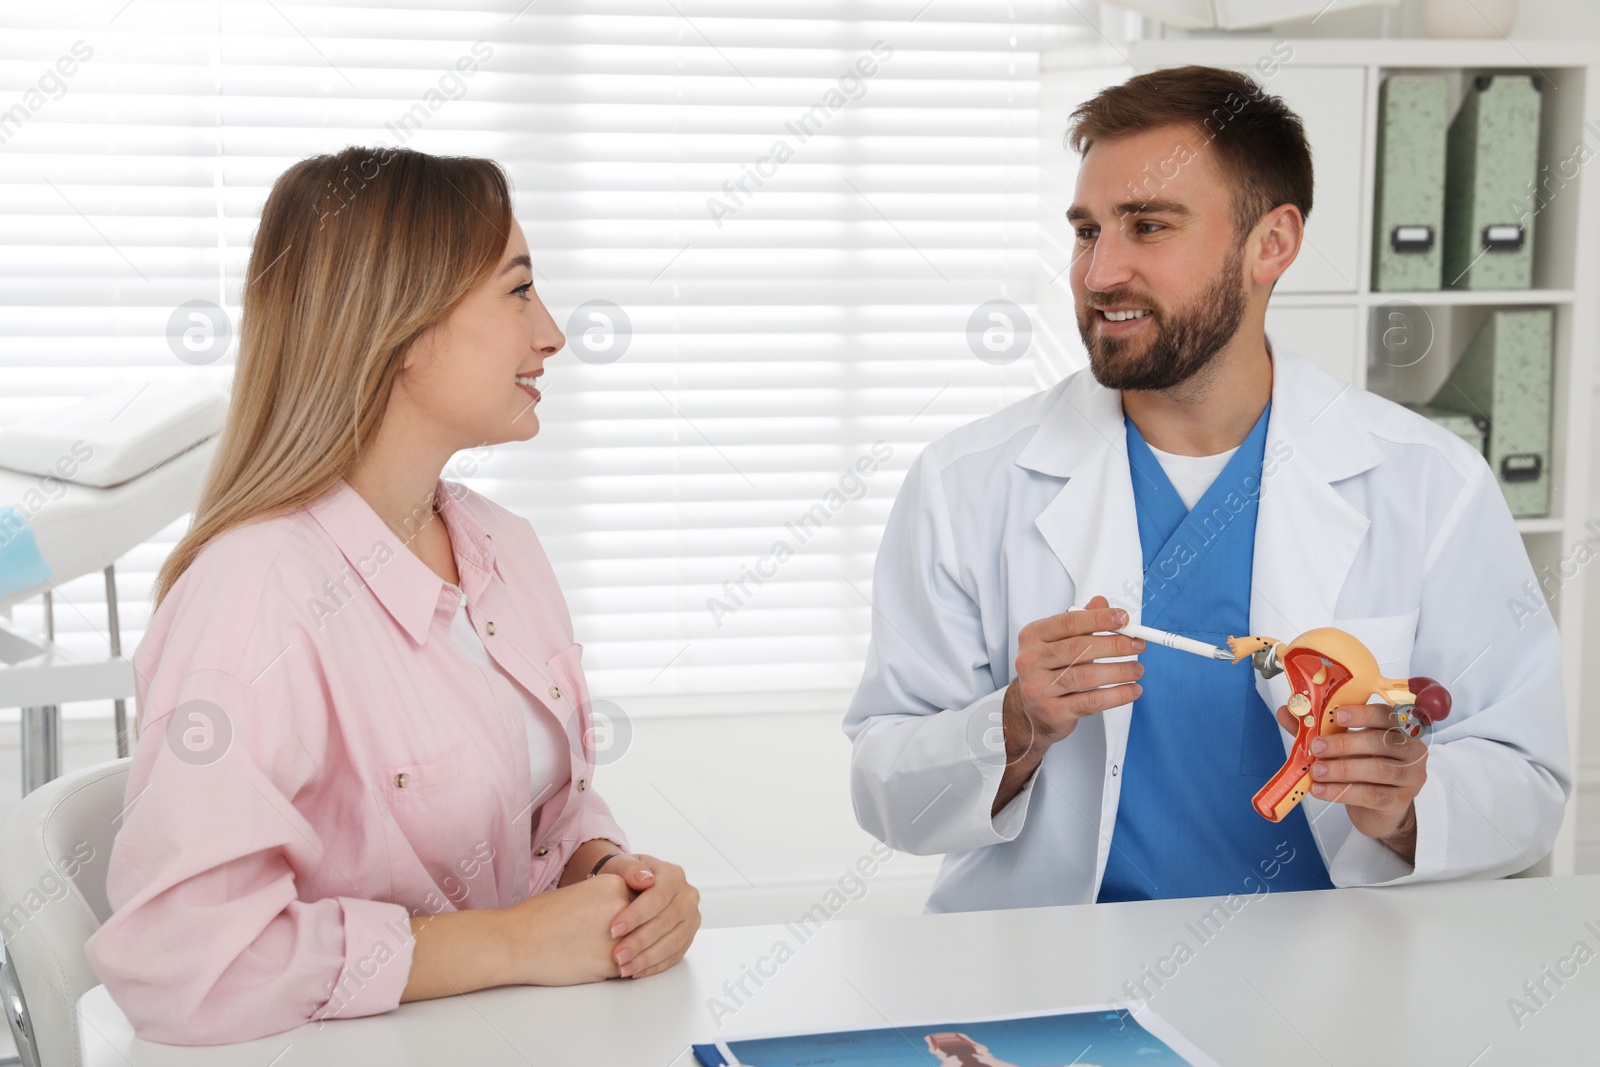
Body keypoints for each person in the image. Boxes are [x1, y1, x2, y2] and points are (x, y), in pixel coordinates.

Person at [843, 65, 1570, 913]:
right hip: (1053, 973)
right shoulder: (966, 484)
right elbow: (883, 791)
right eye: (1086, 231)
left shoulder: (1428, 484)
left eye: (1147, 226)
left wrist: (1405, 806)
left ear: (1272, 243)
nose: (1098, 271)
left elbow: (1529, 784)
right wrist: (1012, 723)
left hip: (1329, 982)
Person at [85, 147, 701, 1044]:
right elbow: (187, 961)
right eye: (518, 291)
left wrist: (612, 879)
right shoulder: (254, 597)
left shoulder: (504, 549)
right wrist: (508, 943)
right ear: (405, 329)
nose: (553, 333)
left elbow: (543, 816)